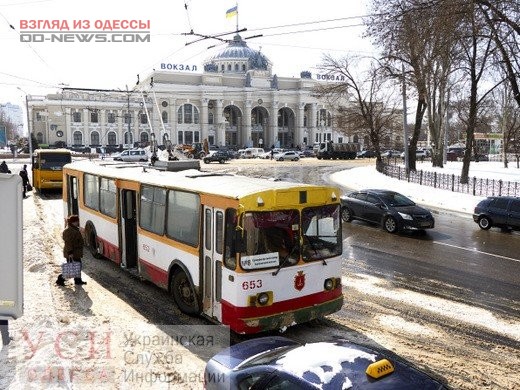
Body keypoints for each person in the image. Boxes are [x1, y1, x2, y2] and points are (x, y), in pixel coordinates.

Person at [56, 215, 87, 286]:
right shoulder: (68, 231)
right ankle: (60, 279)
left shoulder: (74, 228)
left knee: (77, 266)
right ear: (73, 222)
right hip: (72, 252)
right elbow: (68, 243)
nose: (78, 222)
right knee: (71, 268)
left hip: (75, 252)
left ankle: (78, 280)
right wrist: (70, 253)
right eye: (76, 221)